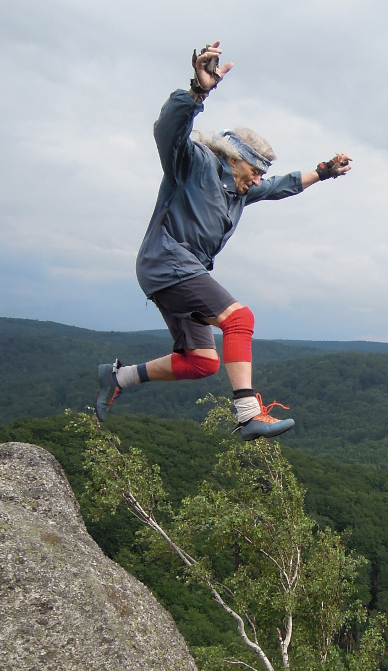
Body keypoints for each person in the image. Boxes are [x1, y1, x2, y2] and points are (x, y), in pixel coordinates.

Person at [96, 40, 351, 439]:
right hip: (167, 261)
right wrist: (198, 91)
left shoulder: (241, 190)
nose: (257, 179)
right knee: (240, 319)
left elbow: (283, 186)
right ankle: (248, 412)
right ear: (233, 157)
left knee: (201, 361)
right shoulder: (193, 163)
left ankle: (118, 378)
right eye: (254, 170)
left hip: (183, 270)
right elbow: (168, 130)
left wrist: (324, 171)